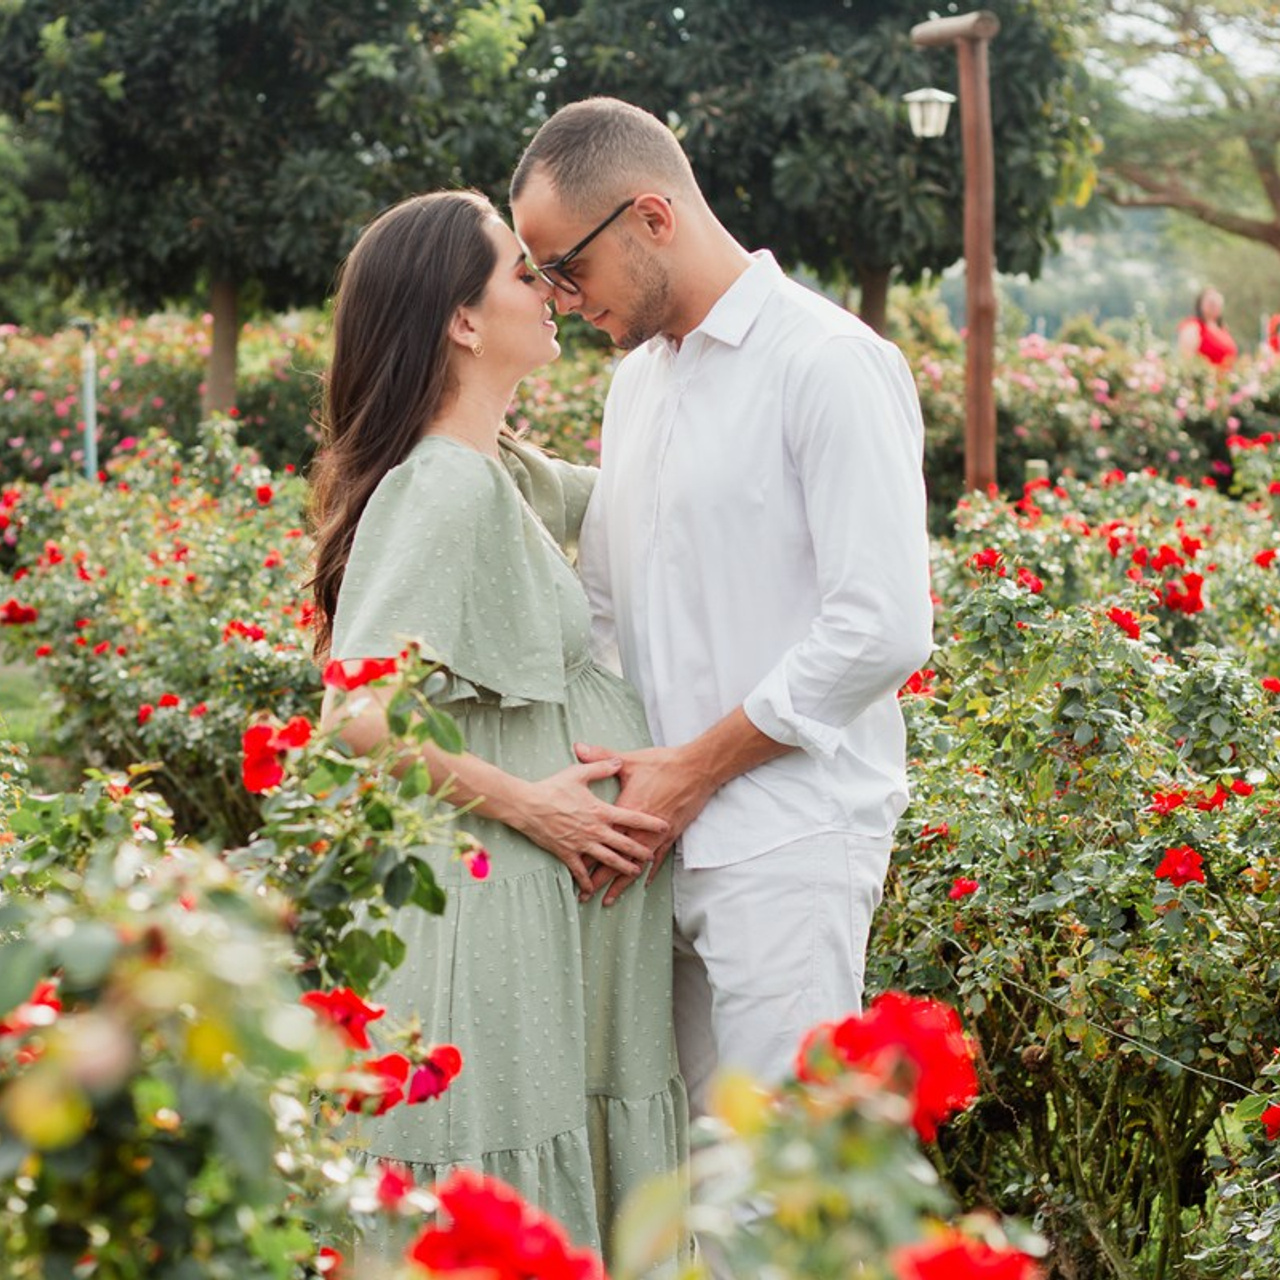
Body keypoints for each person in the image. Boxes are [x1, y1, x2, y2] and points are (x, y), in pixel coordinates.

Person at [510, 100, 934, 1129]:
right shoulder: (637, 383)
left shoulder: (824, 361)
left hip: (787, 842)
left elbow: (880, 623)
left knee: (780, 1190)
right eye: (540, 278)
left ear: (650, 216)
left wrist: (691, 767)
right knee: (685, 1179)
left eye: (565, 267)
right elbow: (609, 611)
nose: (560, 300)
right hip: (659, 844)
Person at [308, 189, 687, 1265]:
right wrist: (533, 805)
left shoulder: (498, 470)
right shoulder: (441, 487)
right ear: (462, 321)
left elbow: (665, 491)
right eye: (526, 273)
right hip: (497, 896)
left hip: (539, 904)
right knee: (496, 1203)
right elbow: (354, 719)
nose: (553, 289)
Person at [1177, 287, 1237, 370]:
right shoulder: (1193, 326)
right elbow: (1187, 360)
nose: (1214, 306)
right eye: (1211, 303)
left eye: (1217, 303)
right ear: (1201, 304)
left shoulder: (1223, 329)